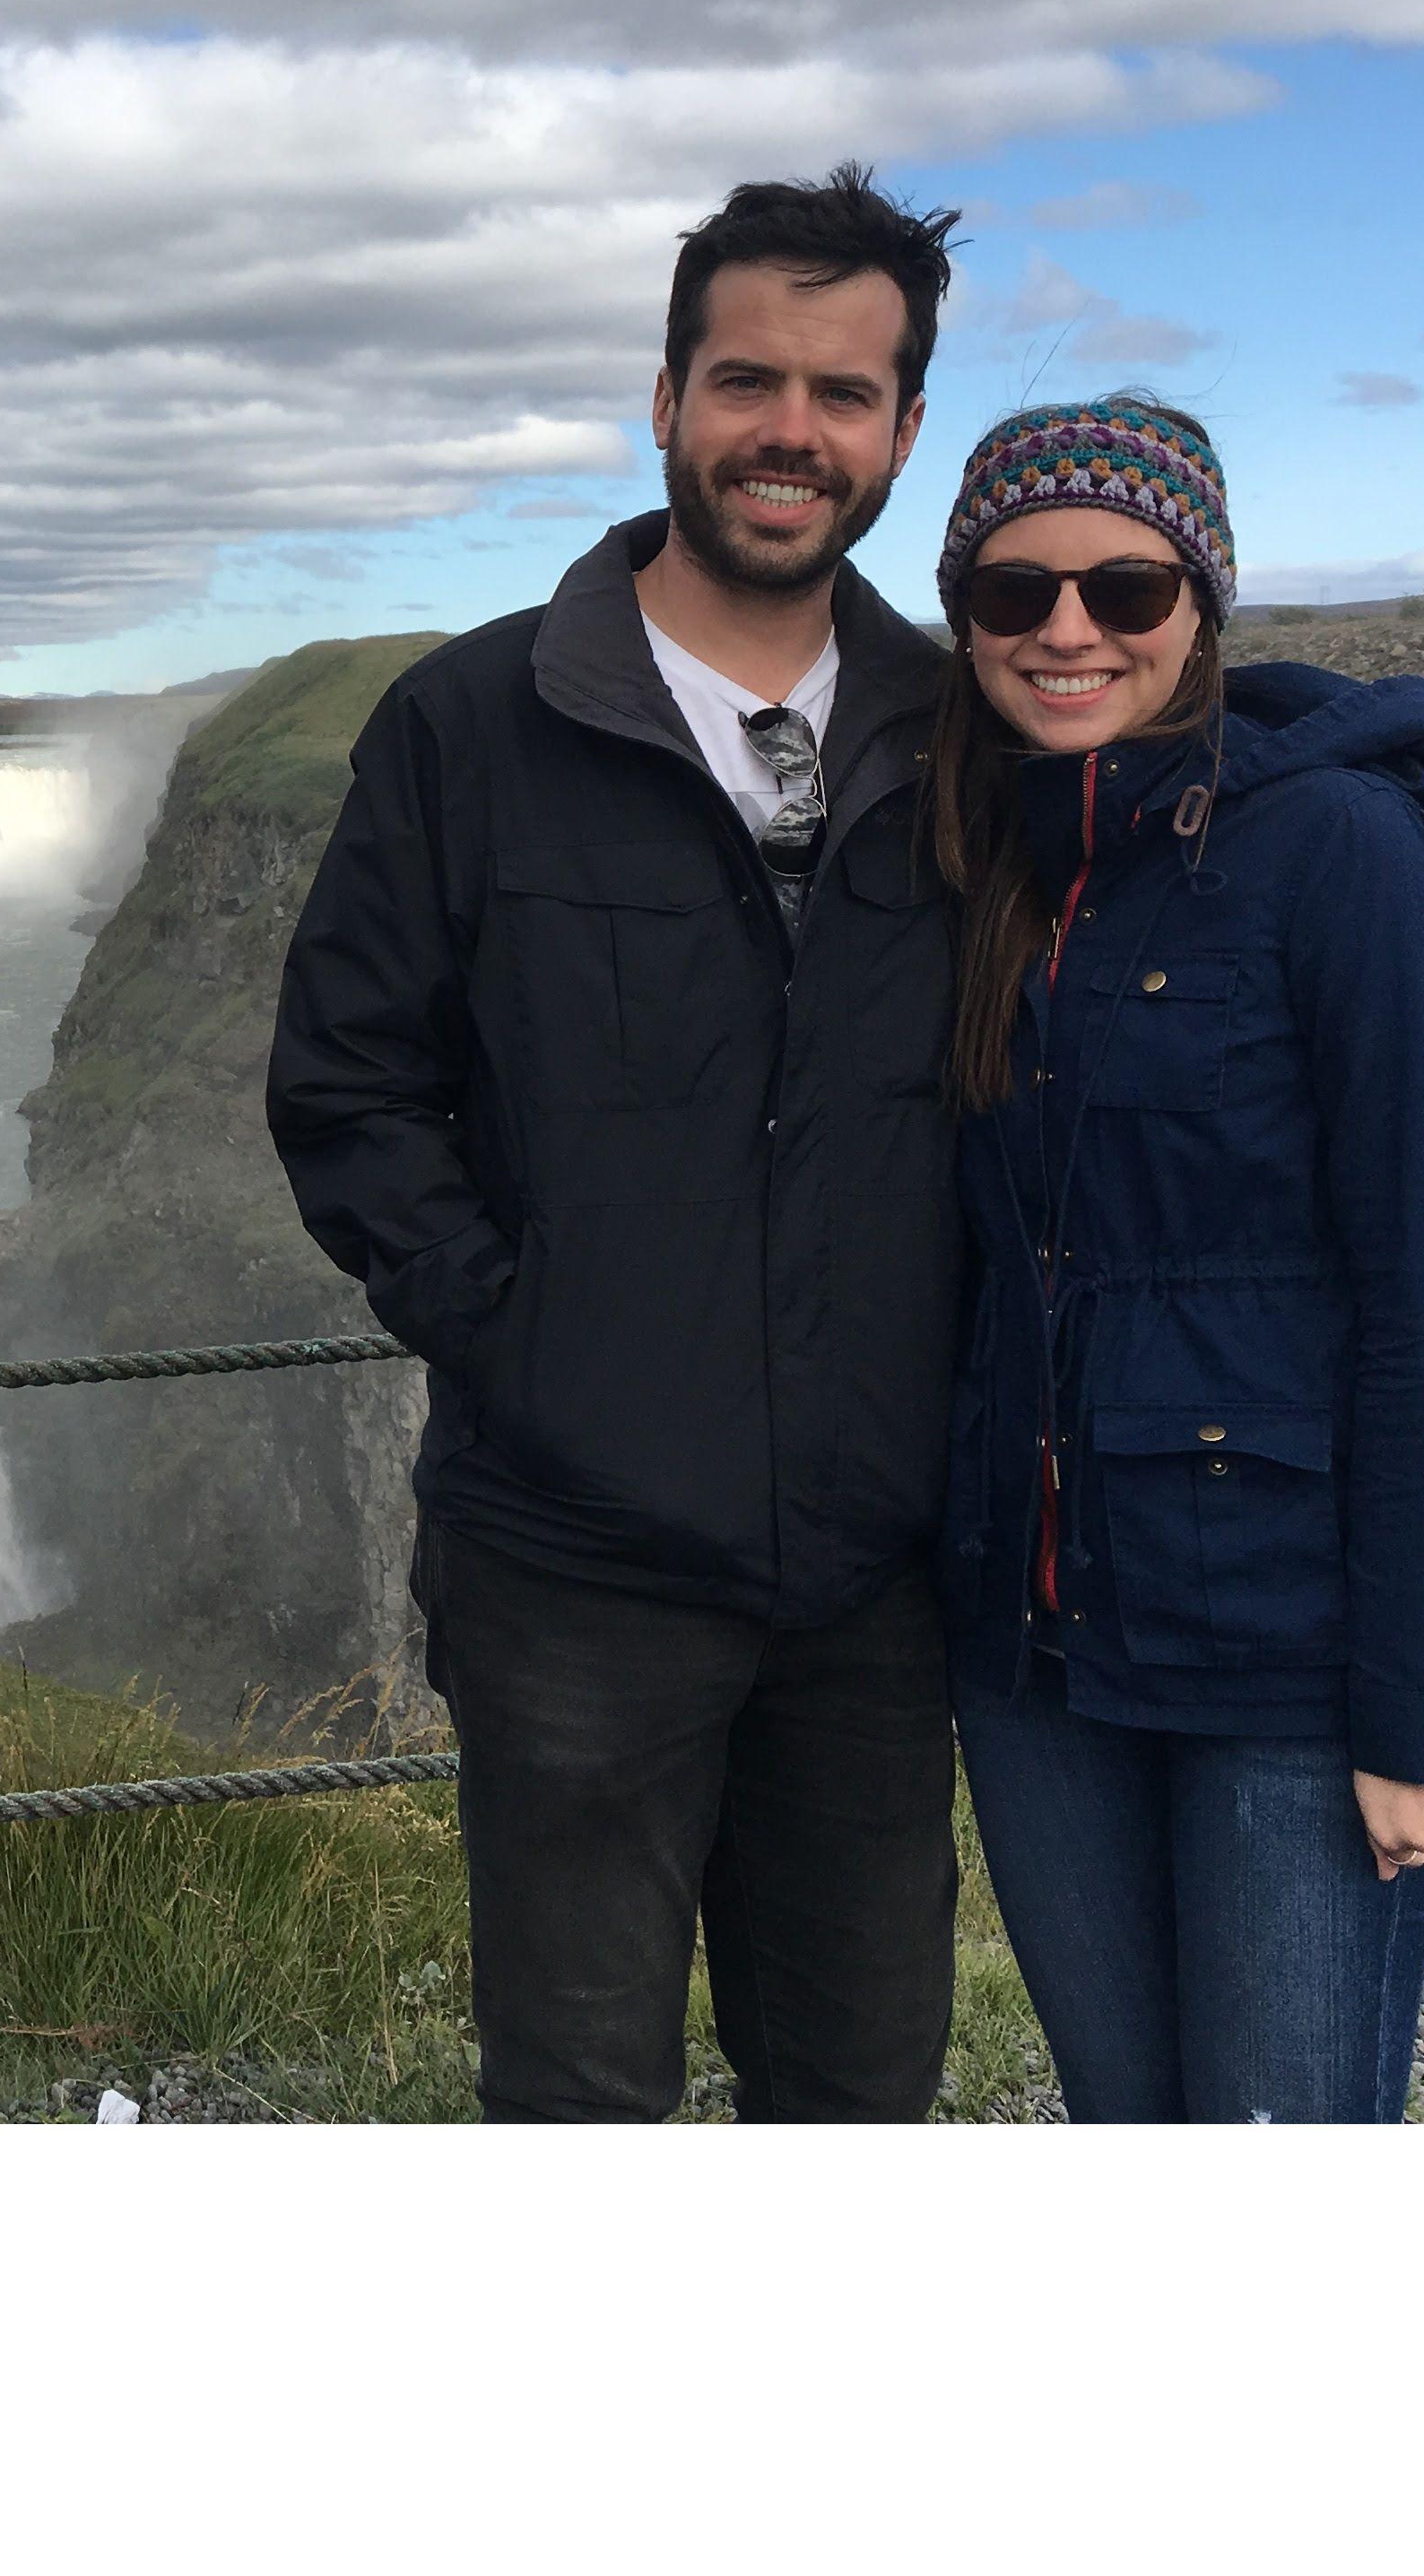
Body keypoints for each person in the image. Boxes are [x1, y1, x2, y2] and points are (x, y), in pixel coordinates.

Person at [269, 166, 970, 2121]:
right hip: (572, 1564)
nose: (791, 434)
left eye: (845, 396)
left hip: (874, 1575)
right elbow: (345, 1085)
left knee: (863, 2082)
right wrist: (525, 1337)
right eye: (749, 380)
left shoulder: (958, 733)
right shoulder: (474, 721)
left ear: (903, 432)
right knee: (577, 2092)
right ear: (664, 399)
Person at [928, 398, 1424, 2121]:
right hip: (1037, 1660)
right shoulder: (1002, 862)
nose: (1067, 631)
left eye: (1127, 586)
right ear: (962, 616)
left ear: (1203, 605)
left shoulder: (1340, 850)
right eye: (1013, 591)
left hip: (1281, 1656)